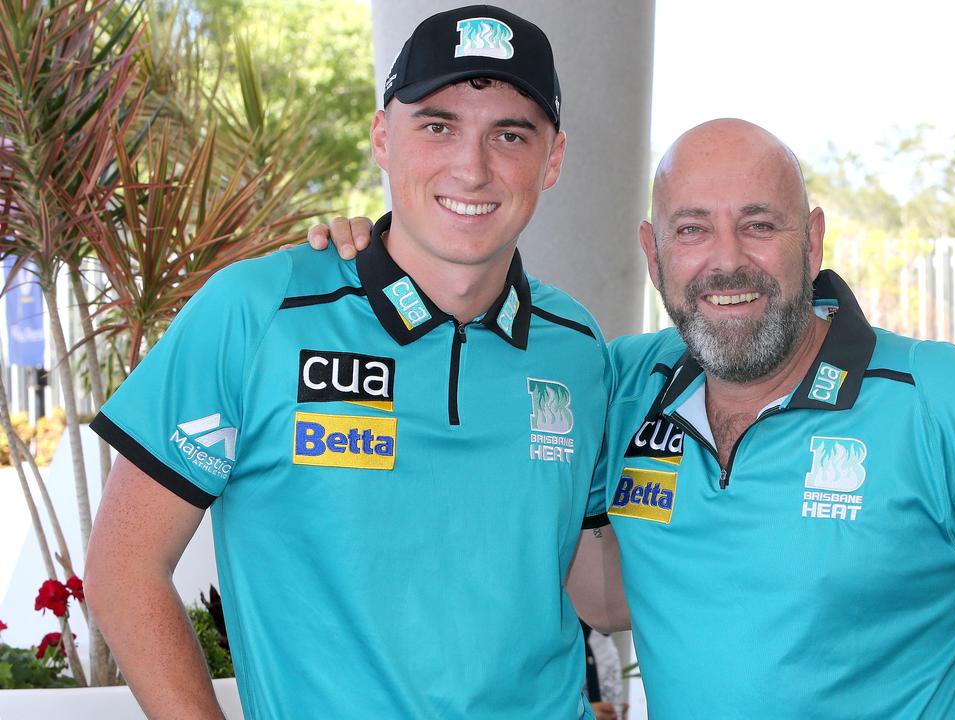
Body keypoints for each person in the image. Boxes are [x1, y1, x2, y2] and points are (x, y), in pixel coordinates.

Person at [313, 119, 955, 717]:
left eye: (757, 225)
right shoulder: (617, 383)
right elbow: (462, 372)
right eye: (691, 230)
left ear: (811, 237)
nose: (725, 262)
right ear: (653, 253)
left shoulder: (940, 400)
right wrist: (383, 250)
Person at [83, 6, 624, 718]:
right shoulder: (259, 313)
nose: (472, 165)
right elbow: (124, 569)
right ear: (382, 138)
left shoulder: (577, 346)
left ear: (552, 159)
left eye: (510, 133)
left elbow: (598, 588)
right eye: (438, 126)